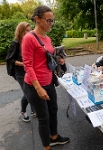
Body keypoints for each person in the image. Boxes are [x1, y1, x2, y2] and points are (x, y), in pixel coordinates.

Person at [22, 5, 69, 150]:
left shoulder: (47, 38)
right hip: (34, 86)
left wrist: (59, 61)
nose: (51, 24)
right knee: (43, 118)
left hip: (49, 82)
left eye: (53, 21)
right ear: (37, 19)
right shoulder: (29, 38)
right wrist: (38, 88)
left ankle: (54, 137)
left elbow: (47, 58)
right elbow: (28, 65)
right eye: (49, 20)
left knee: (53, 110)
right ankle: (46, 147)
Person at [6, 22, 35, 122]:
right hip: (20, 73)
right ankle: (23, 111)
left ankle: (33, 110)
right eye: (27, 30)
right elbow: (10, 59)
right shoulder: (16, 43)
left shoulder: (29, 41)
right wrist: (24, 64)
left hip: (30, 71)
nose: (30, 32)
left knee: (32, 90)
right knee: (28, 93)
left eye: (30, 30)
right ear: (21, 31)